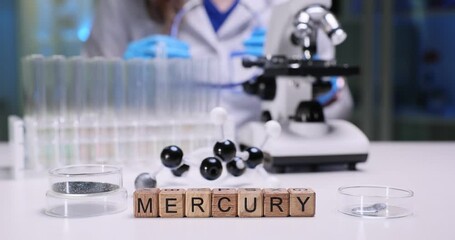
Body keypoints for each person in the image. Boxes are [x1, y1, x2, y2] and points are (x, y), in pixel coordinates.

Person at [83, 0, 353, 127]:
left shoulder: (292, 5)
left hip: (269, 163)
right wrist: (120, 77)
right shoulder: (122, 6)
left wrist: (319, 88)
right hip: (159, 162)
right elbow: (82, 103)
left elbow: (340, 107)